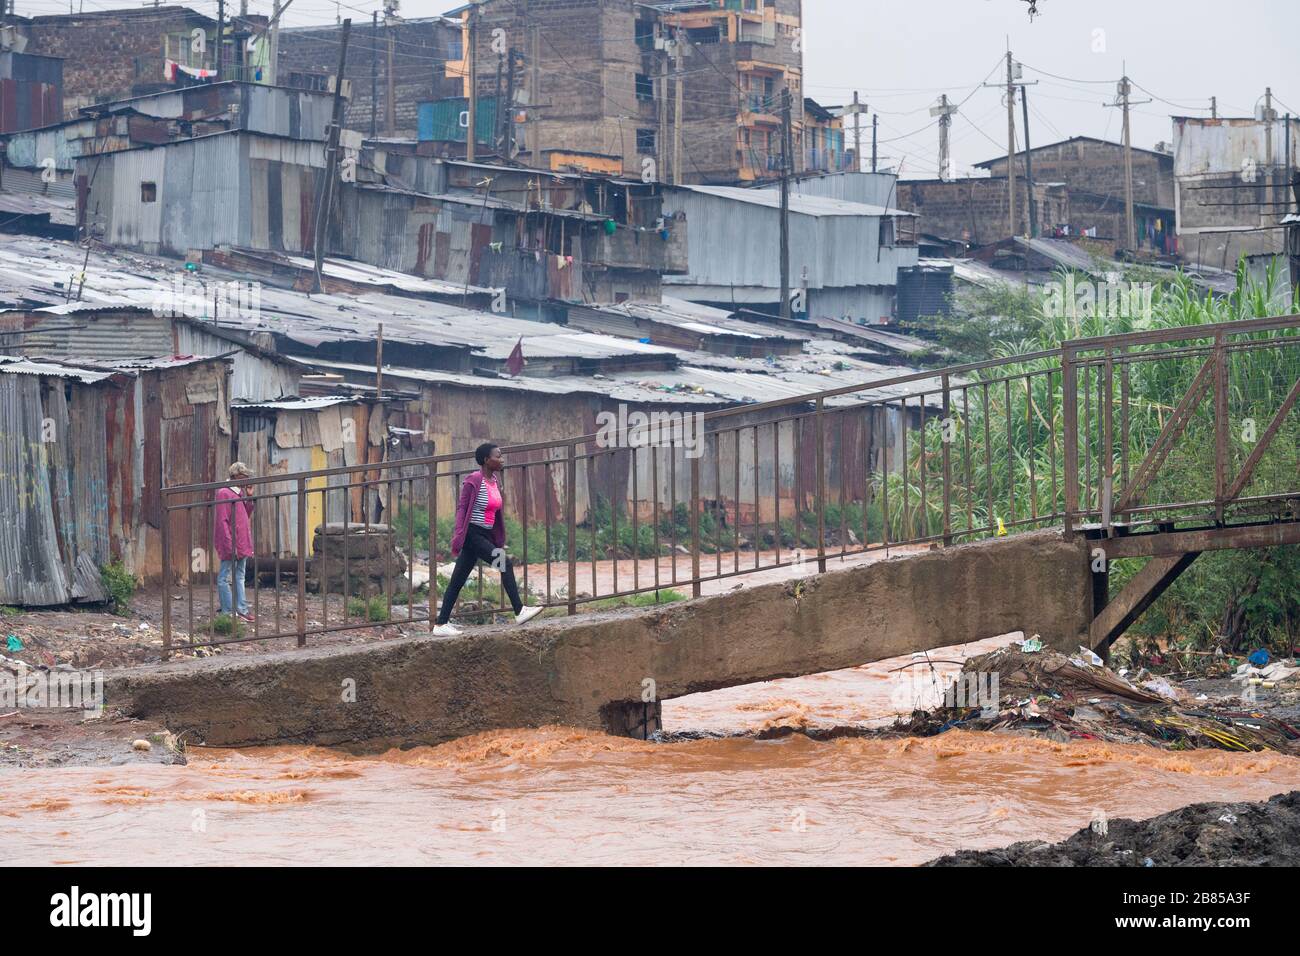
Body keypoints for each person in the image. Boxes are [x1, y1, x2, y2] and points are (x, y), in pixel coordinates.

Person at [433, 443, 541, 636]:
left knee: (458, 580)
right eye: (498, 456)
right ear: (486, 460)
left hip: (484, 535)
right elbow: (462, 509)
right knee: (504, 562)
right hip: (472, 535)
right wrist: (459, 535)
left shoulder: (494, 481)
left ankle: (441, 624)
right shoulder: (473, 480)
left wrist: (496, 536)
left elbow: (495, 513)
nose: (502, 459)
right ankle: (519, 610)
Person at [214, 461, 256, 623]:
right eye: (244, 475)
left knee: (240, 576)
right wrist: (229, 545)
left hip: (242, 541)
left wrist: (250, 497)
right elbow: (223, 521)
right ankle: (228, 611)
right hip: (231, 542)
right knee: (224, 577)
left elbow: (245, 514)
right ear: (236, 476)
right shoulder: (225, 493)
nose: (246, 478)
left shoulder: (239, 493)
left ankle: (241, 609)